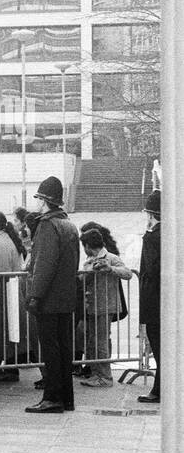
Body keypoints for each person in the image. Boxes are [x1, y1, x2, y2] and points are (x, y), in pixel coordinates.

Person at [25, 176, 81, 414]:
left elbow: (44, 265)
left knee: (50, 350)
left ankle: (52, 398)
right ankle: (66, 397)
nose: (36, 203)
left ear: (45, 201)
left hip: (48, 299)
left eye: (38, 198)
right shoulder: (68, 224)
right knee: (64, 349)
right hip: (66, 298)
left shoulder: (48, 225)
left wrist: (34, 296)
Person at [78, 227, 131, 389]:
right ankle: (96, 373)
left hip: (105, 307)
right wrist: (89, 270)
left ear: (87, 245)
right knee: (92, 342)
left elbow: (127, 273)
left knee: (101, 342)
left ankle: (105, 376)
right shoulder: (89, 261)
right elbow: (81, 279)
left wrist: (110, 268)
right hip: (91, 306)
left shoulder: (111, 258)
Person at [0, 210, 28, 378]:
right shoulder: (2, 240)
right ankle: (7, 368)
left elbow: (0, 273)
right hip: (6, 293)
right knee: (6, 333)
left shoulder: (0, 245)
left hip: (0, 294)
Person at [140, 190, 161, 403]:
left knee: (158, 346)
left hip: (154, 302)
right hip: (165, 301)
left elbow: (150, 271)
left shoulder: (153, 238)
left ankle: (158, 390)